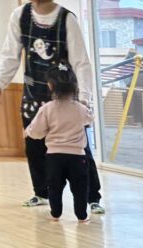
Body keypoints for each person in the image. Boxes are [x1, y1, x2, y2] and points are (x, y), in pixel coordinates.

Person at [0, 0, 105, 214]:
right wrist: (0, 82)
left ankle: (92, 197)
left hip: (65, 97)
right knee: (34, 146)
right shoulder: (20, 16)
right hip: (33, 95)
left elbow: (81, 61)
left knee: (80, 148)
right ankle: (42, 193)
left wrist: (84, 97)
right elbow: (10, 53)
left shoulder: (66, 19)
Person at [24, 65, 93, 222]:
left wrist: (28, 132)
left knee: (54, 186)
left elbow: (36, 131)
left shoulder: (47, 109)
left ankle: (55, 214)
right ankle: (82, 215)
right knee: (80, 187)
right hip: (77, 157)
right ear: (75, 86)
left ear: (50, 85)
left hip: (54, 156)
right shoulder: (80, 108)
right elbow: (89, 120)